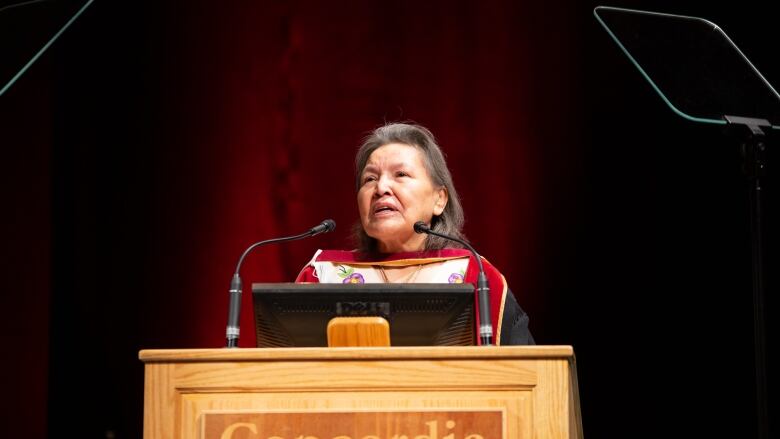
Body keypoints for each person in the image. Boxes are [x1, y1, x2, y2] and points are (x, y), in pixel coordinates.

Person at [296, 122, 534, 345]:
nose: (380, 188)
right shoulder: (322, 276)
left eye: (401, 175)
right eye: (369, 178)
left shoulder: (476, 277)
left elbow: (526, 375)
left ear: (439, 200)